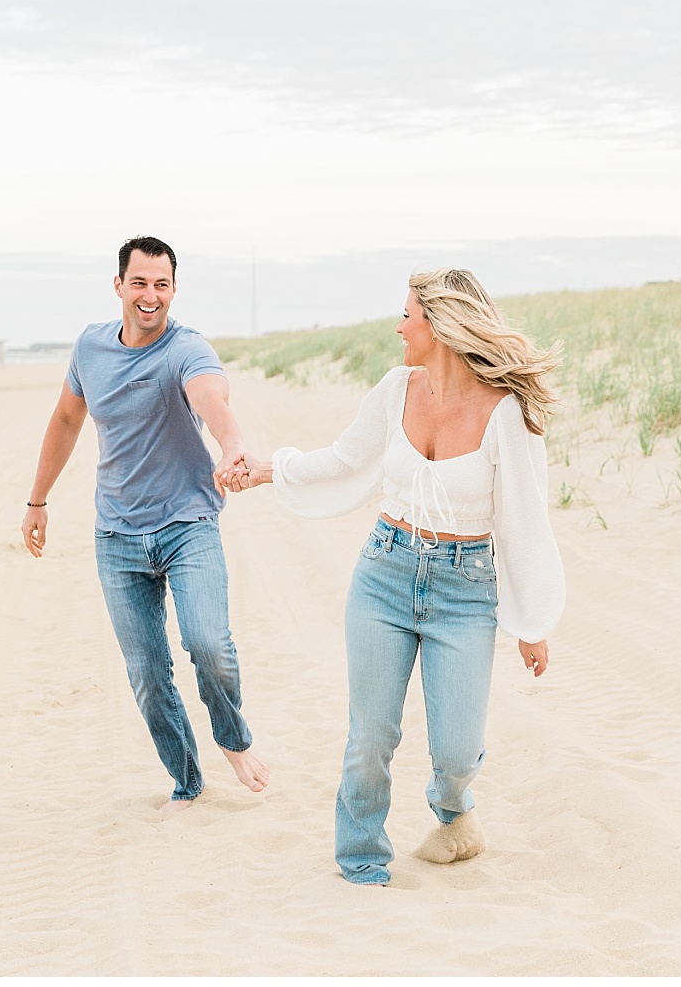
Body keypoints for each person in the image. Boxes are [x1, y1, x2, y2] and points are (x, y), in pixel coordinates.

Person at [223, 267, 564, 885]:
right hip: (385, 572)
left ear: (439, 325)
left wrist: (531, 623)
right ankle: (361, 856)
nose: (399, 326)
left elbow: (524, 518)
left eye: (408, 314)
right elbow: (344, 459)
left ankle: (454, 811)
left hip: (465, 589)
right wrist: (268, 470)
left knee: (456, 751)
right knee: (371, 736)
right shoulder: (395, 389)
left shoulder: (505, 413)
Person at [21, 235, 270, 814]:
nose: (150, 295)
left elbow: (212, 400)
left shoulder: (187, 348)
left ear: (174, 290)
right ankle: (187, 781)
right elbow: (66, 419)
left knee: (208, 644)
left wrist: (232, 444)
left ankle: (232, 739)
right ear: (119, 285)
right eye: (139, 282)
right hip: (117, 534)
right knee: (147, 673)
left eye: (161, 284)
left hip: (187, 524)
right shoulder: (90, 347)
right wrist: (37, 501)